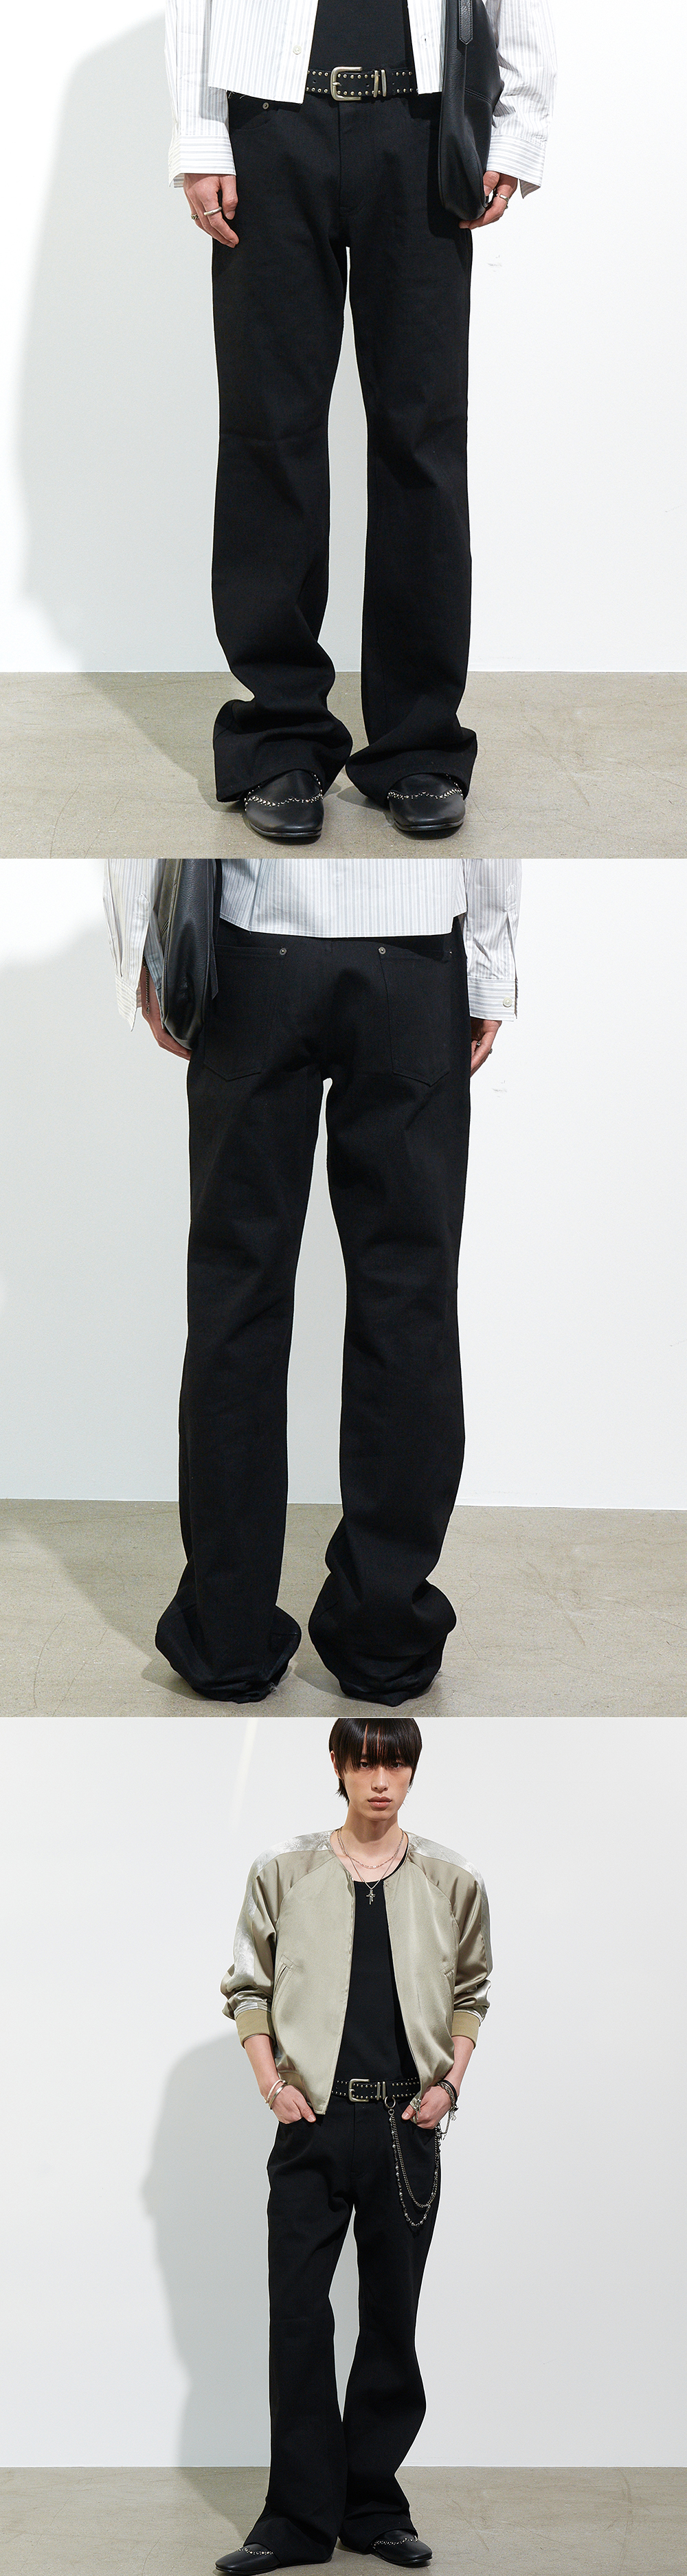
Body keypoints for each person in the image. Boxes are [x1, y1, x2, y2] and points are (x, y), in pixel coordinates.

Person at [104, 855, 520, 1704]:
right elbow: (480, 817)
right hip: (414, 954)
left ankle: (225, 1636)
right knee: (409, 1301)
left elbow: (145, 823)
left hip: (257, 949)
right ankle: (385, 1641)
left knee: (236, 1297)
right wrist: (490, 965)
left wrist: (144, 949)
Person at [166, 0, 556, 842]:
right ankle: (280, 738)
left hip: (423, 128)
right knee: (270, 432)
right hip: (268, 127)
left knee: (422, 438)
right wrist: (200, 136)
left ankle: (420, 744)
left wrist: (519, 126)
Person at [218, 1716, 491, 2572]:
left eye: (395, 1763)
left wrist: (449, 2087)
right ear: (337, 1765)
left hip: (407, 2126)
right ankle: (295, 2521)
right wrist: (272, 2085)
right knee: (299, 2315)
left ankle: (371, 2508)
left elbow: (472, 1992)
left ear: (412, 1771)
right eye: (365, 1762)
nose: (380, 1780)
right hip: (312, 2121)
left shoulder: (451, 1878)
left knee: (390, 2318)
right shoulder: (283, 1870)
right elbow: (247, 1989)